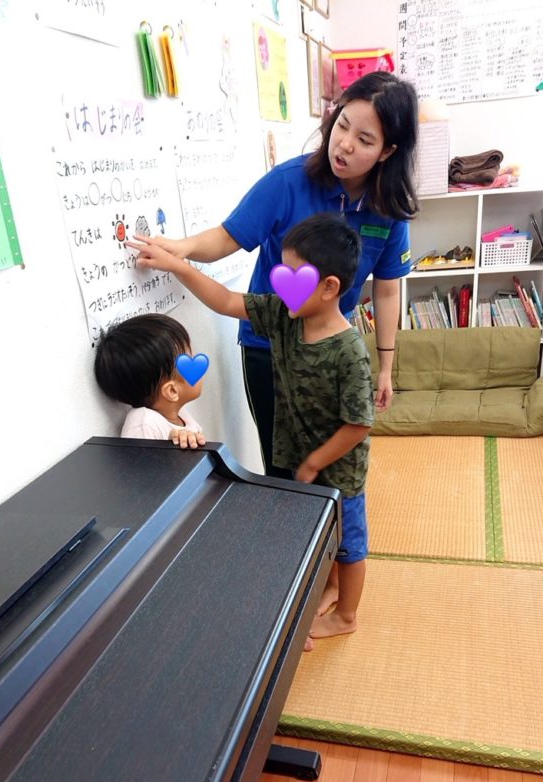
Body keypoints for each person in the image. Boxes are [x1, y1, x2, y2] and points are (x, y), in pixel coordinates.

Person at [130, 71, 418, 478]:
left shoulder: (388, 209)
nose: (345, 144)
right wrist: (183, 249)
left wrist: (386, 367)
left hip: (327, 348)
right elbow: (228, 238)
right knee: (282, 463)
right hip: (269, 346)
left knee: (331, 459)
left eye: (365, 140)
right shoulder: (288, 182)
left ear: (387, 151)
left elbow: (387, 291)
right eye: (342, 126)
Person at [128, 212, 374, 644]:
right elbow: (225, 301)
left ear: (329, 287)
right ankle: (331, 586)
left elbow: (358, 424)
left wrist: (315, 462)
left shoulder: (349, 351)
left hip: (338, 467)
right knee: (320, 529)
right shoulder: (285, 314)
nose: (281, 284)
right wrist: (178, 265)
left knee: (349, 542)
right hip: (298, 455)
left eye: (293, 276)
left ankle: (347, 615)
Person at [93, 313, 206, 447]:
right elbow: (137, 460)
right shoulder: (143, 423)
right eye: (189, 359)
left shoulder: (181, 414)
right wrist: (172, 451)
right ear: (172, 391)